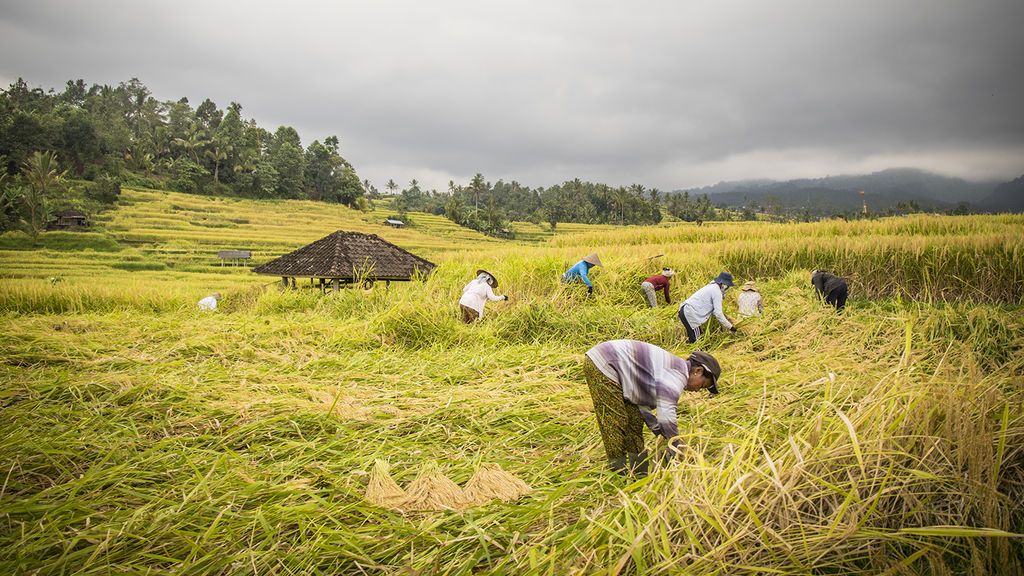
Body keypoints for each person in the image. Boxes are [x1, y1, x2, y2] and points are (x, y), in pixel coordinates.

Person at [583, 340, 721, 475]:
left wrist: (658, 432)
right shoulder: (676, 376)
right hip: (603, 363)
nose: (698, 390)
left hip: (619, 371)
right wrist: (675, 444)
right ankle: (619, 477)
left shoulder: (672, 369)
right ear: (698, 371)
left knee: (635, 422)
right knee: (614, 422)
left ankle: (640, 473)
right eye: (703, 385)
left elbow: (643, 408)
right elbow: (666, 416)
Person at [678, 272, 738, 343]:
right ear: (724, 285)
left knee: (695, 338)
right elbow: (718, 313)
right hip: (690, 313)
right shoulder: (716, 292)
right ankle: (694, 353)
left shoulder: (712, 286)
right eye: (727, 286)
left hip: (686, 311)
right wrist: (730, 327)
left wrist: (728, 318)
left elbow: (715, 311)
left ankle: (688, 350)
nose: (727, 288)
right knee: (697, 341)